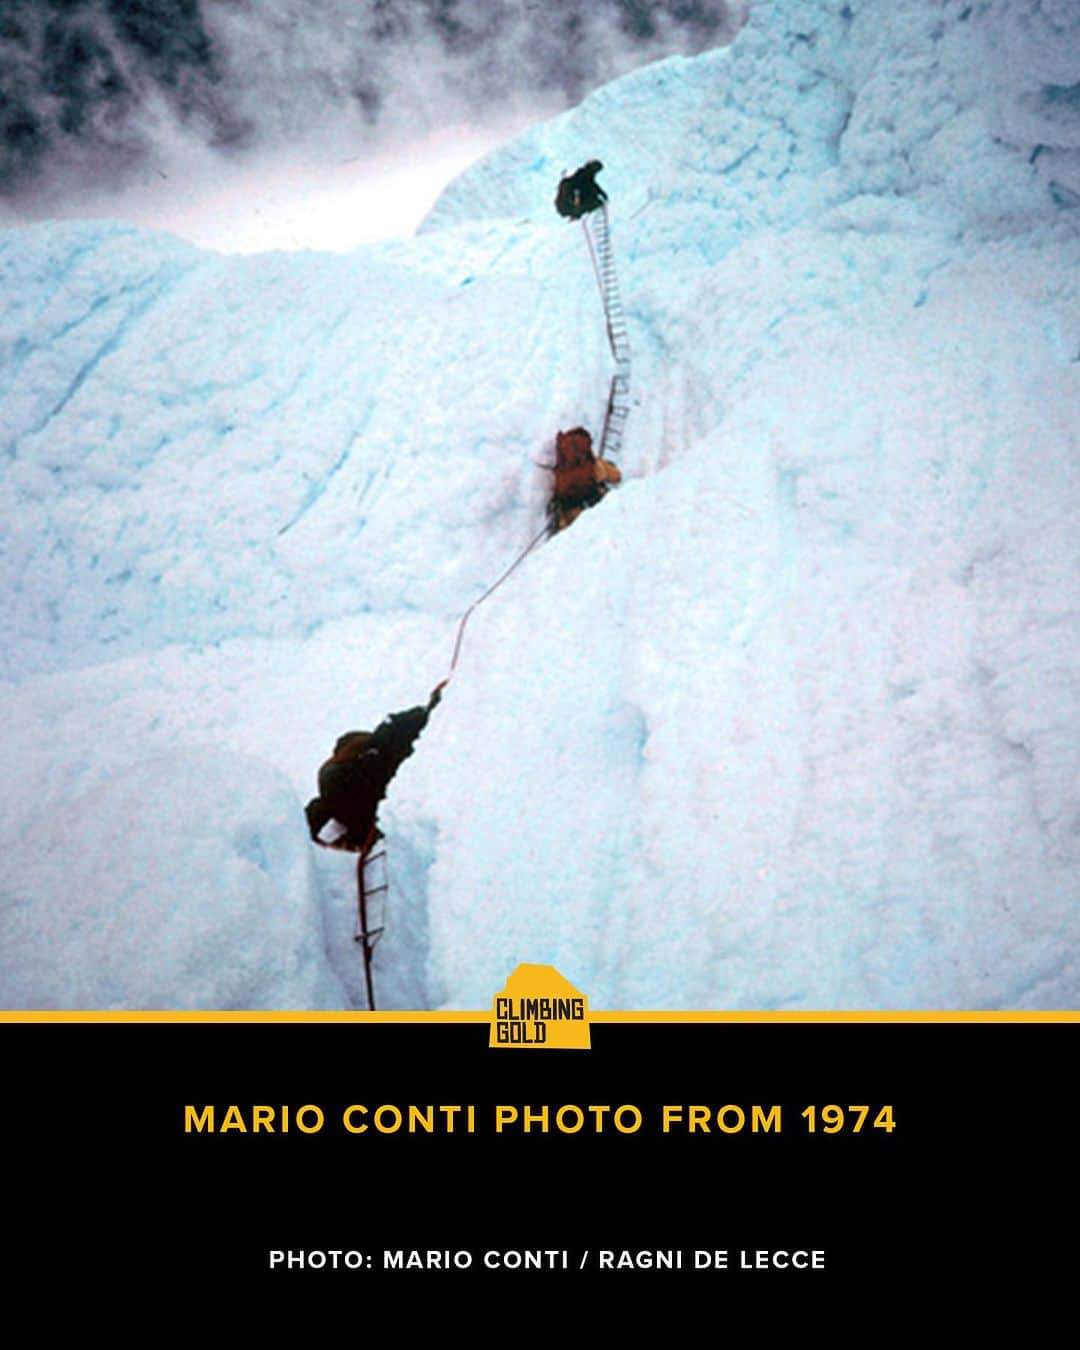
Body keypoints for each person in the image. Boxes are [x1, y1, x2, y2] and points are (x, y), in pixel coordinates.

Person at [306, 682, 446, 851]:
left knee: (338, 804)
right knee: (360, 807)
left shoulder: (387, 739)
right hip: (345, 779)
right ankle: (359, 838)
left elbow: (394, 724)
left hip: (335, 777)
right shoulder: (392, 747)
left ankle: (305, 827)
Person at [549, 427, 622, 531]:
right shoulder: (586, 455)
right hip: (588, 492)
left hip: (569, 502)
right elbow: (612, 475)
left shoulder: (563, 455)